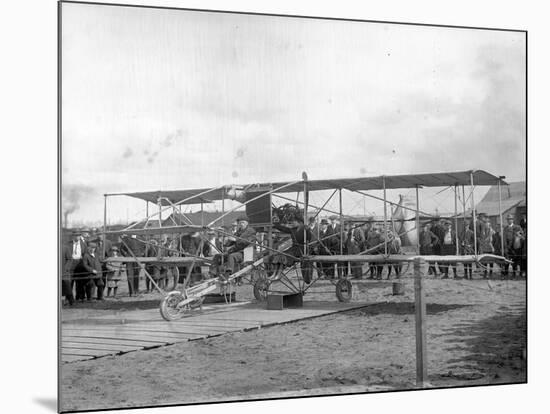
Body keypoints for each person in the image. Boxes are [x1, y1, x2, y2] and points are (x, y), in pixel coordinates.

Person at [272, 214, 313, 283]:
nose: (291, 224)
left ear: (299, 222)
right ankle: (275, 274)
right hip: (294, 248)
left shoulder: (305, 229)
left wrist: (308, 230)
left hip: (302, 249)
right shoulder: (292, 229)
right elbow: (282, 228)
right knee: (280, 255)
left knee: (285, 256)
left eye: (293, 222)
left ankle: (278, 275)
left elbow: (310, 238)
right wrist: (275, 223)